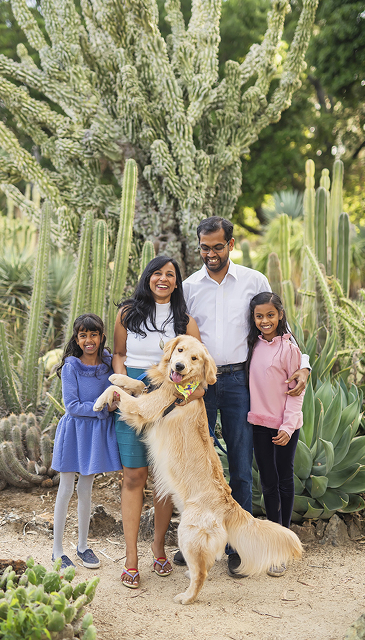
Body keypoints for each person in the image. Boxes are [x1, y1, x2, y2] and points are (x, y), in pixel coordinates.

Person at [175, 216, 310, 577]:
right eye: (205, 248)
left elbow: (281, 328)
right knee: (194, 461)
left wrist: (305, 365)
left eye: (218, 247)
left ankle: (238, 546)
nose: (211, 254)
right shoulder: (189, 286)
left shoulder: (254, 280)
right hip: (200, 381)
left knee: (239, 461)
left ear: (231, 245)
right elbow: (177, 336)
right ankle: (195, 535)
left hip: (238, 379)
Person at [112, 256, 203, 589]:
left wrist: (184, 395)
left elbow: (199, 367)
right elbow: (119, 353)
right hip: (133, 399)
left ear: (177, 282)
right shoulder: (127, 314)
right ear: (147, 277)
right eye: (157, 273)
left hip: (169, 400)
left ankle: (159, 546)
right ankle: (131, 557)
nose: (163, 278)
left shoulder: (185, 321)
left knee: (164, 479)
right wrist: (122, 385)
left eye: (170, 274)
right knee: (134, 476)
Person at [51, 313, 121, 570]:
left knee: (86, 489)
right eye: (83, 335)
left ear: (102, 336)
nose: (89, 340)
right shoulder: (71, 366)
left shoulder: (107, 364)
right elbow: (71, 406)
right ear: (77, 339)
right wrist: (104, 409)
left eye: (94, 334)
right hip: (75, 432)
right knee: (66, 488)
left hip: (95, 434)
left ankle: (82, 546)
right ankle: (57, 551)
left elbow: (117, 390)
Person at [246, 291, 305, 577]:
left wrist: (288, 426)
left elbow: (297, 393)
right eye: (259, 316)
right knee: (267, 483)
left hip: (285, 427)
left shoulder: (289, 347)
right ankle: (273, 541)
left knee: (283, 480)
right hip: (259, 424)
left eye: (270, 315)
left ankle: (284, 542)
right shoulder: (252, 346)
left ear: (280, 315)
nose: (265, 321)